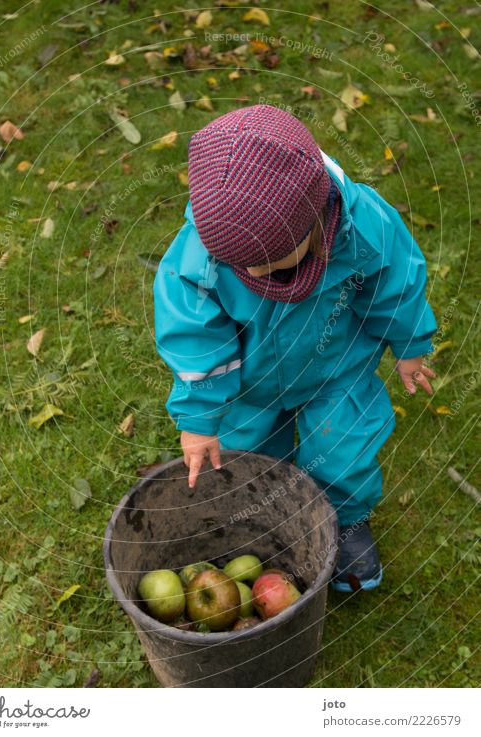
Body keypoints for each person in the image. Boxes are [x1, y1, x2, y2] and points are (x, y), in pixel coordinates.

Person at [153, 104, 437, 592]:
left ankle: (343, 521)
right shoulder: (201, 257)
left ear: (314, 222)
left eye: (270, 265)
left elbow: (396, 279)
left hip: (336, 369)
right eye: (245, 269)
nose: (258, 276)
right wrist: (199, 418)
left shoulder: (360, 225)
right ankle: (263, 519)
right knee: (248, 453)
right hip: (252, 381)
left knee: (343, 447)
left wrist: (409, 343)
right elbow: (195, 336)